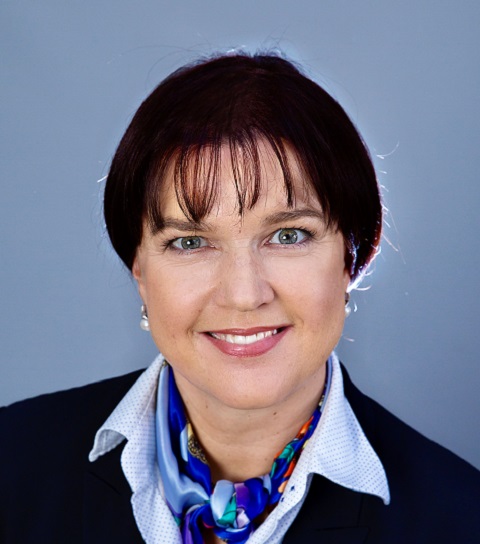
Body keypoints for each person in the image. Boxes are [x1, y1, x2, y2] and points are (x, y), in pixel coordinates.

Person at [1, 52, 479, 544]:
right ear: (139, 269)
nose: (244, 295)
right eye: (190, 242)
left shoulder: (459, 521)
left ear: (353, 257)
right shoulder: (12, 464)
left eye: (288, 236)